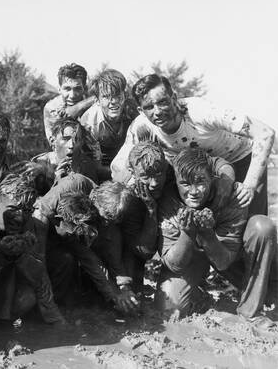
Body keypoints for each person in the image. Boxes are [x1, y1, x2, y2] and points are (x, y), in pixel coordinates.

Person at [111, 74, 275, 215]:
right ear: (141, 111)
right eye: (149, 107)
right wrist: (136, 183)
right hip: (194, 172)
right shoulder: (141, 126)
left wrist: (250, 185)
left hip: (238, 159)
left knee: (253, 227)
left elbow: (265, 133)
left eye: (162, 102)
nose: (158, 111)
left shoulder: (199, 110)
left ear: (174, 98)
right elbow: (117, 167)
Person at [155, 148, 277, 323]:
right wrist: (188, 233)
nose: (194, 191)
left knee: (262, 227)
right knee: (168, 309)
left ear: (212, 178)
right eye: (185, 183)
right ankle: (199, 295)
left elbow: (224, 261)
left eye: (200, 181)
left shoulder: (233, 196)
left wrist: (207, 234)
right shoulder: (168, 199)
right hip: (191, 254)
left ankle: (251, 307)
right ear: (176, 182)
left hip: (224, 251)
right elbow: (174, 265)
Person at [34, 174, 138, 313]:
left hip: (71, 238)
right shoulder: (74, 185)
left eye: (110, 221)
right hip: (44, 234)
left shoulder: (107, 217)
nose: (106, 223)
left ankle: (58, 306)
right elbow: (40, 214)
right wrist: (38, 261)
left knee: (69, 260)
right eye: (105, 218)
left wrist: (123, 289)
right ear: (95, 200)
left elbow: (100, 256)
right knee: (60, 262)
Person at [0, 174, 65, 324]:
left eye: (26, 210)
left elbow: (40, 274)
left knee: (62, 261)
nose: (19, 218)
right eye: (13, 209)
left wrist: (54, 317)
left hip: (13, 293)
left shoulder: (33, 224)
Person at [80, 69, 139, 175]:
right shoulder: (89, 121)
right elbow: (94, 165)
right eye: (106, 97)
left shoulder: (134, 111)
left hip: (129, 158)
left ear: (124, 95)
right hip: (102, 161)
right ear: (97, 100)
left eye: (117, 95)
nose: (114, 102)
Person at [32, 118, 101, 184]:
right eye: (65, 139)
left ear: (82, 143)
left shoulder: (86, 165)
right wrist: (56, 182)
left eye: (77, 140)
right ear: (52, 141)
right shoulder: (39, 165)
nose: (71, 145)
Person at [43, 63, 95, 142]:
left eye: (77, 89)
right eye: (67, 89)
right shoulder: (52, 107)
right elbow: (56, 143)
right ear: (59, 89)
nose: (72, 95)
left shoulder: (90, 103)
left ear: (84, 89)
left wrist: (80, 106)